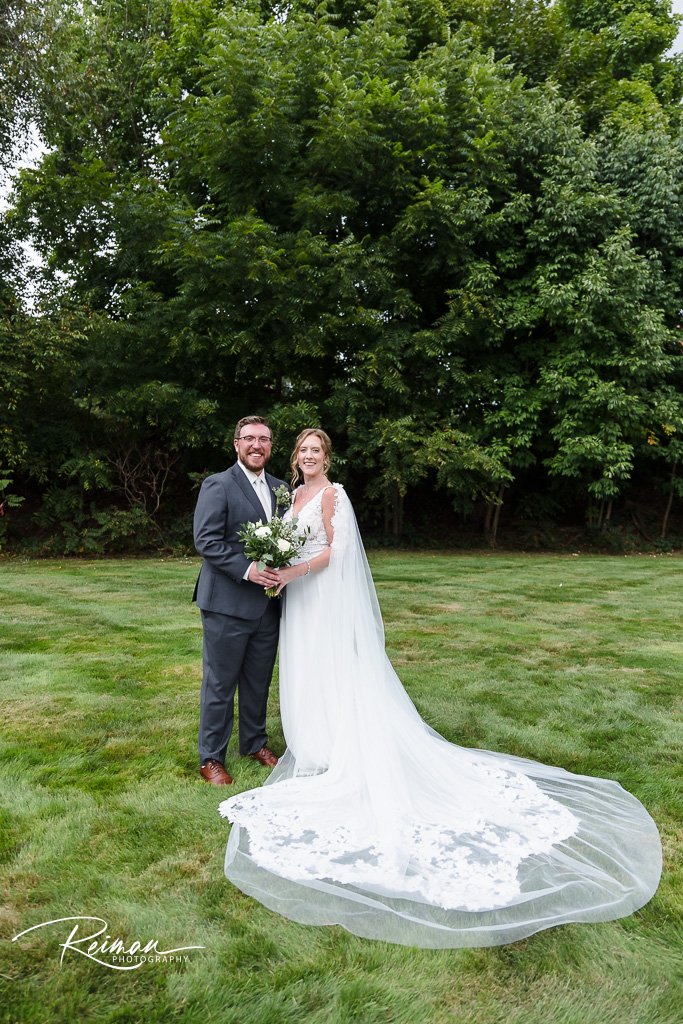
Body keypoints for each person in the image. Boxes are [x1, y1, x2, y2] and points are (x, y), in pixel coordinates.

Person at [218, 429, 662, 948]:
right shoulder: (292, 497)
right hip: (298, 600)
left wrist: (289, 572)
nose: (310, 457)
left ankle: (342, 744)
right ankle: (314, 741)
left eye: (317, 451)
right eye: (304, 451)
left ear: (326, 458)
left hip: (320, 595)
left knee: (334, 667)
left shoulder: (336, 496)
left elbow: (336, 554)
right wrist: (280, 571)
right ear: (295, 459)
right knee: (305, 667)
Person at [192, 416, 287, 785]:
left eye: (264, 439)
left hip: (268, 604)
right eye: (249, 439)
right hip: (226, 603)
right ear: (236, 444)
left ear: (270, 447)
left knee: (258, 680)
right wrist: (249, 570)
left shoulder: (281, 490)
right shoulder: (218, 485)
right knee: (220, 682)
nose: (257, 445)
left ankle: (254, 743)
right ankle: (211, 757)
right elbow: (207, 540)